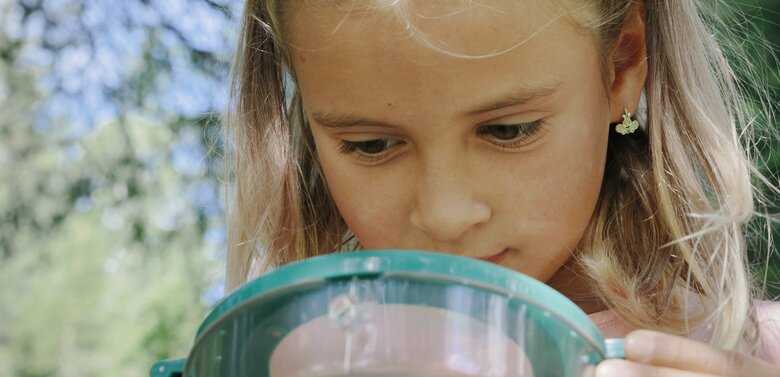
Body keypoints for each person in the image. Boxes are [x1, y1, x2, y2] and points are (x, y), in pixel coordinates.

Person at [223, 0, 780, 375]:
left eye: (508, 130)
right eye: (372, 145)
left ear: (621, 64)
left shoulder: (755, 353)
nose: (444, 215)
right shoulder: (289, 360)